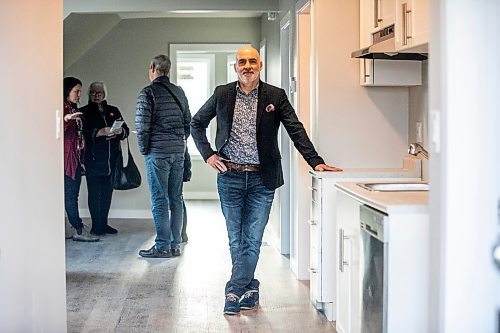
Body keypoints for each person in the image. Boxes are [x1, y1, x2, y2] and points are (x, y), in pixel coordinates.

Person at [191, 45, 342, 315]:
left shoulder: (275, 95)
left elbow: (295, 129)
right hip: (230, 176)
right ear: (235, 67)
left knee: (252, 237)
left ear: (260, 65)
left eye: (252, 61)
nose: (247, 66)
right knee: (236, 239)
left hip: (263, 178)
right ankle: (251, 287)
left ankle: (234, 291)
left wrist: (315, 160)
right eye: (242, 62)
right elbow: (196, 123)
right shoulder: (222, 93)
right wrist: (208, 155)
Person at [135, 54, 191, 258]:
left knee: (159, 199)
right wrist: (177, 141)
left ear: (152, 68)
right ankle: (176, 245)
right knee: (176, 198)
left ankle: (162, 246)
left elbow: (141, 127)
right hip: (178, 152)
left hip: (157, 153)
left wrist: (144, 150)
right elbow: (188, 124)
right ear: (168, 70)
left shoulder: (147, 93)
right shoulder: (179, 92)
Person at [80, 82, 130, 236]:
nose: (96, 95)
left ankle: (104, 223)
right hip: (93, 160)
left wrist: (119, 131)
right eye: (93, 92)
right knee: (94, 194)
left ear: (104, 94)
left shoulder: (113, 111)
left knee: (107, 193)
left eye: (100, 92)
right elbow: (82, 134)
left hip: (112, 161)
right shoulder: (84, 112)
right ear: (89, 94)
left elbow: (126, 131)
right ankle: (97, 226)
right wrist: (98, 132)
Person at [63, 77, 99, 242]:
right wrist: (66, 120)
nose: (79, 95)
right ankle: (78, 229)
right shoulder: (62, 111)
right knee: (71, 195)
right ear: (67, 91)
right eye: (76, 91)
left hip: (77, 159)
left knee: (72, 195)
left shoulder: (72, 109)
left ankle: (75, 228)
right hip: (68, 161)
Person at [181, 147, 192, 243]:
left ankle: (181, 234)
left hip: (180, 157)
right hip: (181, 156)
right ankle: (181, 234)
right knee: (177, 198)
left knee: (176, 199)